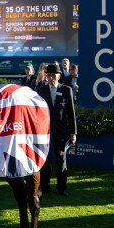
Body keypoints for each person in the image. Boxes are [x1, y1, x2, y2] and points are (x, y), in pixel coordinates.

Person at [37, 64, 76, 196]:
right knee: (45, 160)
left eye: (54, 75)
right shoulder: (40, 90)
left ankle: (62, 188)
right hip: (45, 132)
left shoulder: (66, 90)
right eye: (49, 75)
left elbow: (71, 113)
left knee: (61, 160)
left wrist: (73, 132)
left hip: (62, 132)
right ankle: (44, 186)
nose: (51, 78)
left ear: (59, 76)